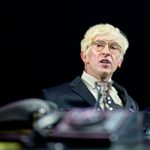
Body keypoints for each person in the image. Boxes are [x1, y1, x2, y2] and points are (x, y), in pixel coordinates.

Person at [41, 23, 139, 112]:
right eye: (99, 45)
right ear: (84, 56)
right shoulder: (54, 97)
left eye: (113, 47)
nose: (106, 52)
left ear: (120, 61)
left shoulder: (131, 104)